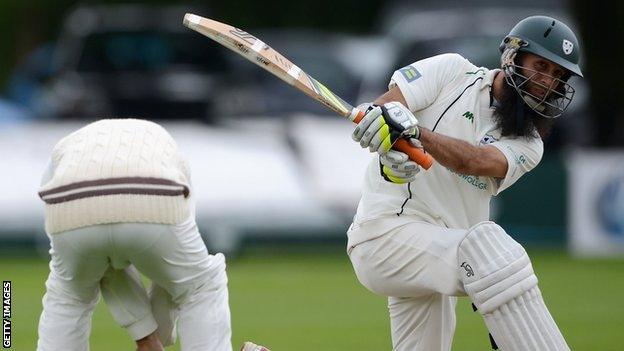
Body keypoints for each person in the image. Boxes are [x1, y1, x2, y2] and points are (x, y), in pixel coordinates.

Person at [347, 15, 582, 351]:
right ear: (512, 58)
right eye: (541, 66)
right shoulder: (452, 71)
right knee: (490, 248)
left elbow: (474, 161)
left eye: (558, 76)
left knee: (484, 249)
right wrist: (387, 135)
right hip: (385, 235)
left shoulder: (530, 144)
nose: (548, 82)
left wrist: (415, 133)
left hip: (437, 252)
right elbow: (388, 106)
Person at [36, 118, 233, 350]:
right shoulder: (169, 152)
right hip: (155, 195)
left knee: (68, 296)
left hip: (68, 203)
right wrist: (160, 334)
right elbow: (169, 279)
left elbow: (107, 265)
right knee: (200, 285)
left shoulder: (66, 148)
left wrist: (146, 336)